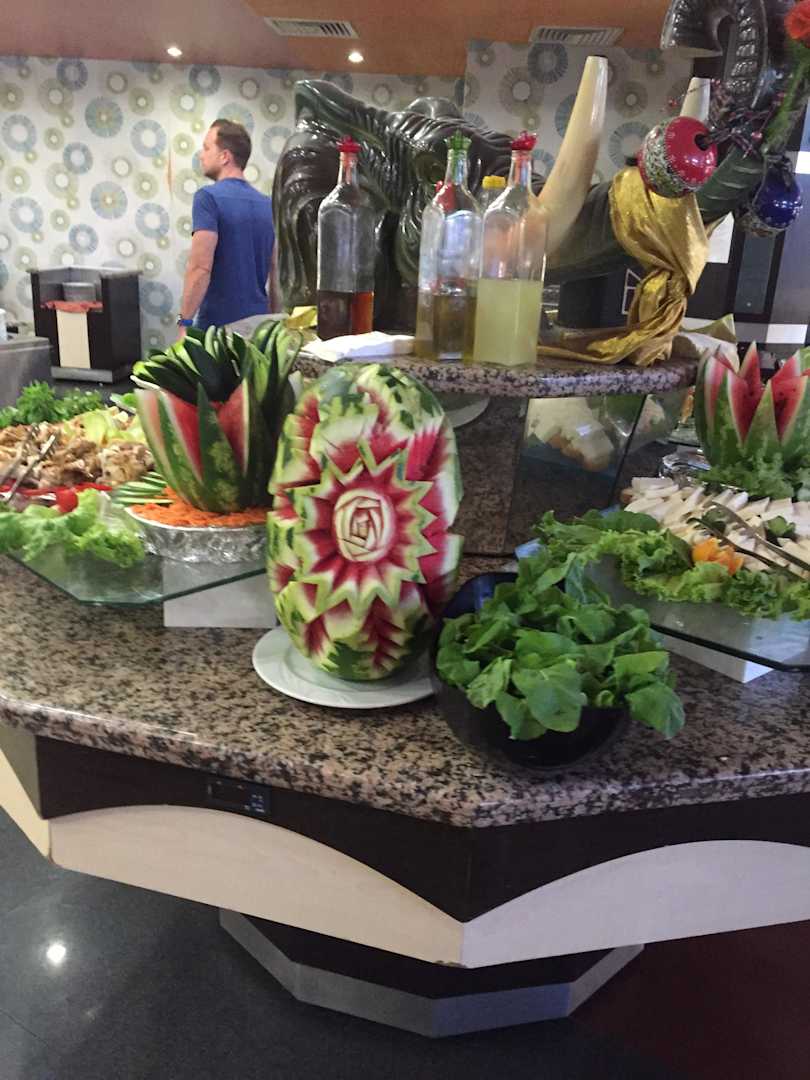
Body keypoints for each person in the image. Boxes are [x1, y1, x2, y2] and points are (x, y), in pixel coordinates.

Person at [177, 119, 274, 334]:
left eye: (206, 148)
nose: (201, 155)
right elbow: (275, 272)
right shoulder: (267, 205)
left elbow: (200, 268)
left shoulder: (208, 198)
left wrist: (183, 322)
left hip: (219, 331)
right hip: (260, 328)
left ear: (224, 156)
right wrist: (274, 324)